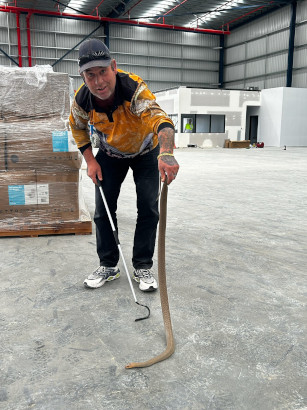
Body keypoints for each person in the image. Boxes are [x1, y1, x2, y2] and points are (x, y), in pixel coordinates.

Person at [69, 38, 179, 292]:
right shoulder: (82, 99)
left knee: (148, 209)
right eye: (90, 75)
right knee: (103, 211)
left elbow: (160, 119)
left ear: (114, 66)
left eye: (103, 72)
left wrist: (167, 152)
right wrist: (91, 161)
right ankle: (108, 265)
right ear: (83, 76)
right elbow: (77, 128)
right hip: (111, 153)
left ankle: (142, 266)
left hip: (146, 151)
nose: (98, 82)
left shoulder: (134, 89)